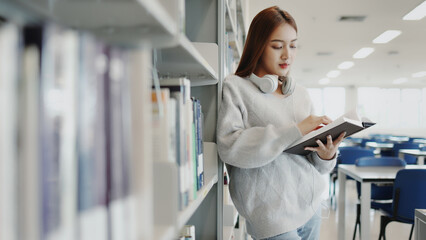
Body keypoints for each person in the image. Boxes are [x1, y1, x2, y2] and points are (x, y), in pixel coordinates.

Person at [217, 6, 346, 240]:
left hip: (310, 209)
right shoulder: (236, 88)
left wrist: (326, 156)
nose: (287, 55)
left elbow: (315, 163)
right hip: (271, 217)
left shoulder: (301, 94)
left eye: (293, 45)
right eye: (277, 46)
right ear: (258, 45)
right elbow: (230, 147)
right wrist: (295, 129)